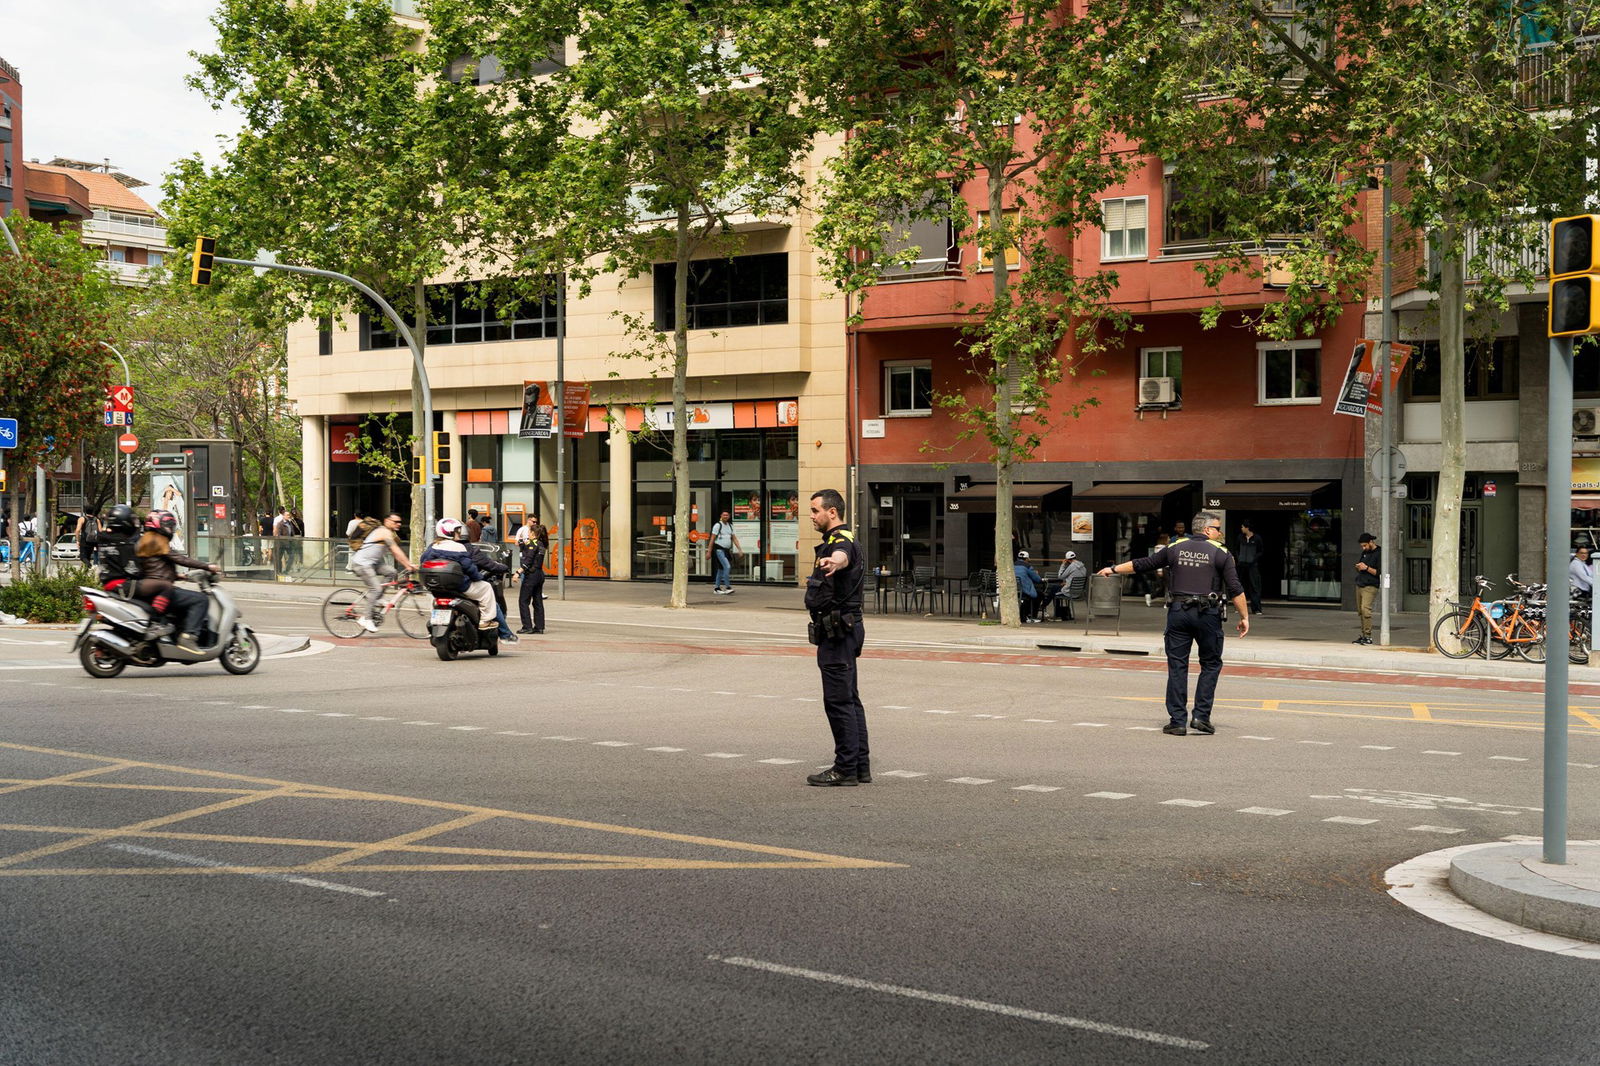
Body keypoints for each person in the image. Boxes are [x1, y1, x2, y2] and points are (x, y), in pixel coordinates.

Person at [1098, 510, 1248, 735]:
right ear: (1207, 529)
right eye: (1218, 529)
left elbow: (1144, 563)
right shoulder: (1221, 552)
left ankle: (1177, 721)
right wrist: (1244, 617)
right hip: (1208, 614)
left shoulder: (1176, 546)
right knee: (1211, 664)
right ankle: (1201, 717)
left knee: (1178, 665)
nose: (1220, 532)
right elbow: (1235, 588)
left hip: (1179, 612)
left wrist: (1113, 569)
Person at [804, 488, 869, 786]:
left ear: (832, 512)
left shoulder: (840, 540)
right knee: (849, 700)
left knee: (838, 701)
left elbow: (842, 556)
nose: (811, 516)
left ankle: (845, 769)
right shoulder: (842, 538)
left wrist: (835, 562)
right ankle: (859, 766)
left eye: (815, 510)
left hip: (838, 631)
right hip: (844, 628)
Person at [135, 509, 220, 655]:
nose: (171, 529)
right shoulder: (157, 540)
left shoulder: (146, 540)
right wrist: (207, 566)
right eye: (168, 525)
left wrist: (179, 576)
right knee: (200, 600)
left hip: (154, 587)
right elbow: (181, 559)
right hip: (161, 589)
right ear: (158, 525)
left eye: (171, 525)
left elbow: (155, 565)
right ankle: (188, 637)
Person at [420, 518, 500, 633]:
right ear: (450, 532)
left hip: (437, 587)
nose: (459, 533)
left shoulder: (432, 547)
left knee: (435, 599)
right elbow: (469, 567)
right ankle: (485, 620)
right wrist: (478, 577)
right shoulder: (458, 547)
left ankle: (435, 619)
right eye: (457, 530)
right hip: (460, 586)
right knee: (486, 588)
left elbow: (423, 562)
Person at [349, 512, 415, 634]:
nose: (399, 524)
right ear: (387, 521)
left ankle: (378, 598)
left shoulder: (390, 534)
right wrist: (409, 565)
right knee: (376, 589)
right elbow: (396, 550)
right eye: (395, 522)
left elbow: (395, 554)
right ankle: (366, 619)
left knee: (391, 572)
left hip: (372, 564)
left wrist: (408, 565)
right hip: (362, 564)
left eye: (400, 522)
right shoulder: (383, 531)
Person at [467, 537, 518, 643]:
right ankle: (504, 633)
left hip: (442, 587)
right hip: (464, 585)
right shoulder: (466, 550)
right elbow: (486, 564)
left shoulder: (437, 547)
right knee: (490, 596)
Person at [517, 517, 548, 634]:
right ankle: (539, 627)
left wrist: (518, 572)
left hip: (532, 575)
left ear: (534, 534)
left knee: (523, 601)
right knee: (537, 601)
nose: (528, 534)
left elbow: (528, 560)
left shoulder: (532, 544)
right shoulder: (542, 544)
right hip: (540, 574)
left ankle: (527, 626)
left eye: (530, 532)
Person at [1354, 532, 1381, 645]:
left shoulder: (1379, 553)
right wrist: (1359, 567)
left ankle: (1368, 636)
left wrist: (1366, 568)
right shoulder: (1365, 552)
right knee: (1360, 611)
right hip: (1360, 583)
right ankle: (1364, 635)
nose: (1363, 548)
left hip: (1371, 585)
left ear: (1371, 542)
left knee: (1365, 609)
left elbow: (1378, 572)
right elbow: (1361, 565)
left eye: (1365, 545)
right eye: (1362, 546)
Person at [1236, 521, 1265, 615]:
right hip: (1241, 564)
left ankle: (1256, 608)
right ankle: (1239, 607)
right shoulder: (1240, 537)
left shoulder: (1257, 538)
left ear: (1247, 528)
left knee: (1254, 586)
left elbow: (1260, 551)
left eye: (1242, 527)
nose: (1241, 528)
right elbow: (1237, 549)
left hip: (1252, 565)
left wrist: (1254, 558)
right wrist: (1239, 558)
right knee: (1240, 585)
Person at [709, 510, 741, 594]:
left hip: (726, 551)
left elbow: (734, 538)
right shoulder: (717, 525)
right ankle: (727, 587)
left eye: (727, 515)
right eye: (724, 515)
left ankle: (717, 588)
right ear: (721, 516)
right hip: (719, 550)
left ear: (729, 516)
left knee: (721, 569)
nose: (725, 516)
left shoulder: (730, 526)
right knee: (727, 566)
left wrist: (739, 549)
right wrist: (709, 552)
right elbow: (712, 539)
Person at [1054, 551, 1088, 621]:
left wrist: (1063, 565)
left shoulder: (1071, 566)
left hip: (1070, 592)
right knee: (1056, 589)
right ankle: (1063, 614)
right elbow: (1076, 578)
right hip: (1079, 592)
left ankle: (1047, 608)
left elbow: (1060, 577)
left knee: (1054, 589)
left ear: (1067, 560)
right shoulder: (1083, 567)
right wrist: (1067, 582)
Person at [1013, 550, 1043, 623]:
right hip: (1024, 591)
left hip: (1014, 590)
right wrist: (1035, 573)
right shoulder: (1028, 566)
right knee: (1039, 595)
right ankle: (1031, 615)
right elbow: (1037, 579)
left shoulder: (1012, 565)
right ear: (1027, 559)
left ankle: (1025, 614)